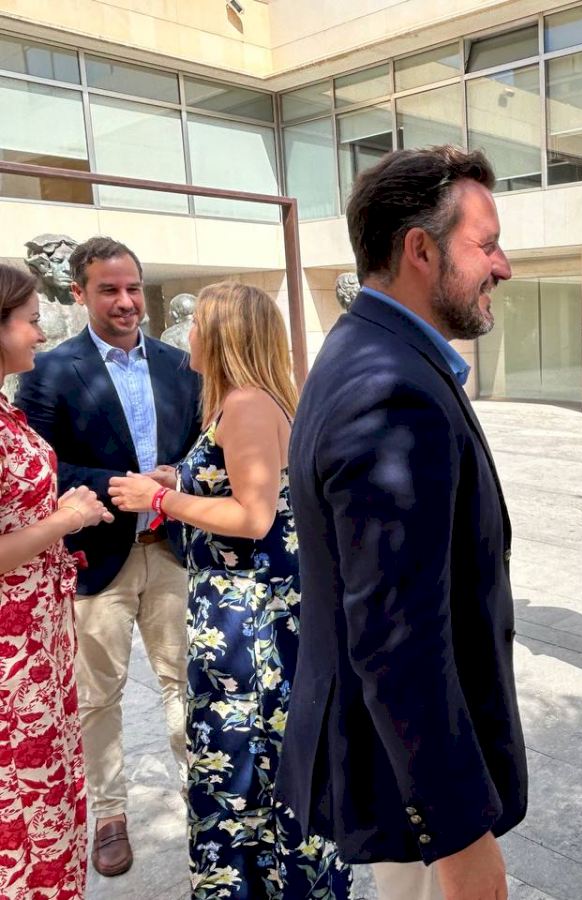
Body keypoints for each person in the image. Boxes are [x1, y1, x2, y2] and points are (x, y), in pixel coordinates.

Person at [278, 145, 527, 900]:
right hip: (409, 778)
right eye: (486, 245)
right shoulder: (390, 388)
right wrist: (460, 836)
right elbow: (397, 635)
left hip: (400, 761)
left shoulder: (369, 352)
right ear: (420, 249)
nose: (504, 265)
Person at [108, 283, 351, 899]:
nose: (185, 332)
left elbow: (254, 516)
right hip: (246, 607)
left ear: (221, 336)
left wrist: (159, 499)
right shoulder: (248, 402)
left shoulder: (245, 404)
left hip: (249, 619)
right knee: (254, 758)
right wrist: (180, 480)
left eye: (195, 323)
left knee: (245, 759)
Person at [14, 237, 202, 878]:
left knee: (186, 682)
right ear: (79, 293)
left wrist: (177, 477)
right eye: (109, 290)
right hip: (96, 558)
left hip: (171, 550)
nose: (126, 302)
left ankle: (200, 792)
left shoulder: (181, 364)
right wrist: (123, 486)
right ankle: (111, 814)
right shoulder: (48, 370)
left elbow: (201, 444)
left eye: (133, 288)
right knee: (98, 695)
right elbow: (42, 468)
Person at [0, 263, 113, 899]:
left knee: (50, 792)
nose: (41, 334)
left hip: (38, 642)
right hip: (10, 659)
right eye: (30, 321)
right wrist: (67, 519)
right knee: (23, 803)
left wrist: (57, 511)